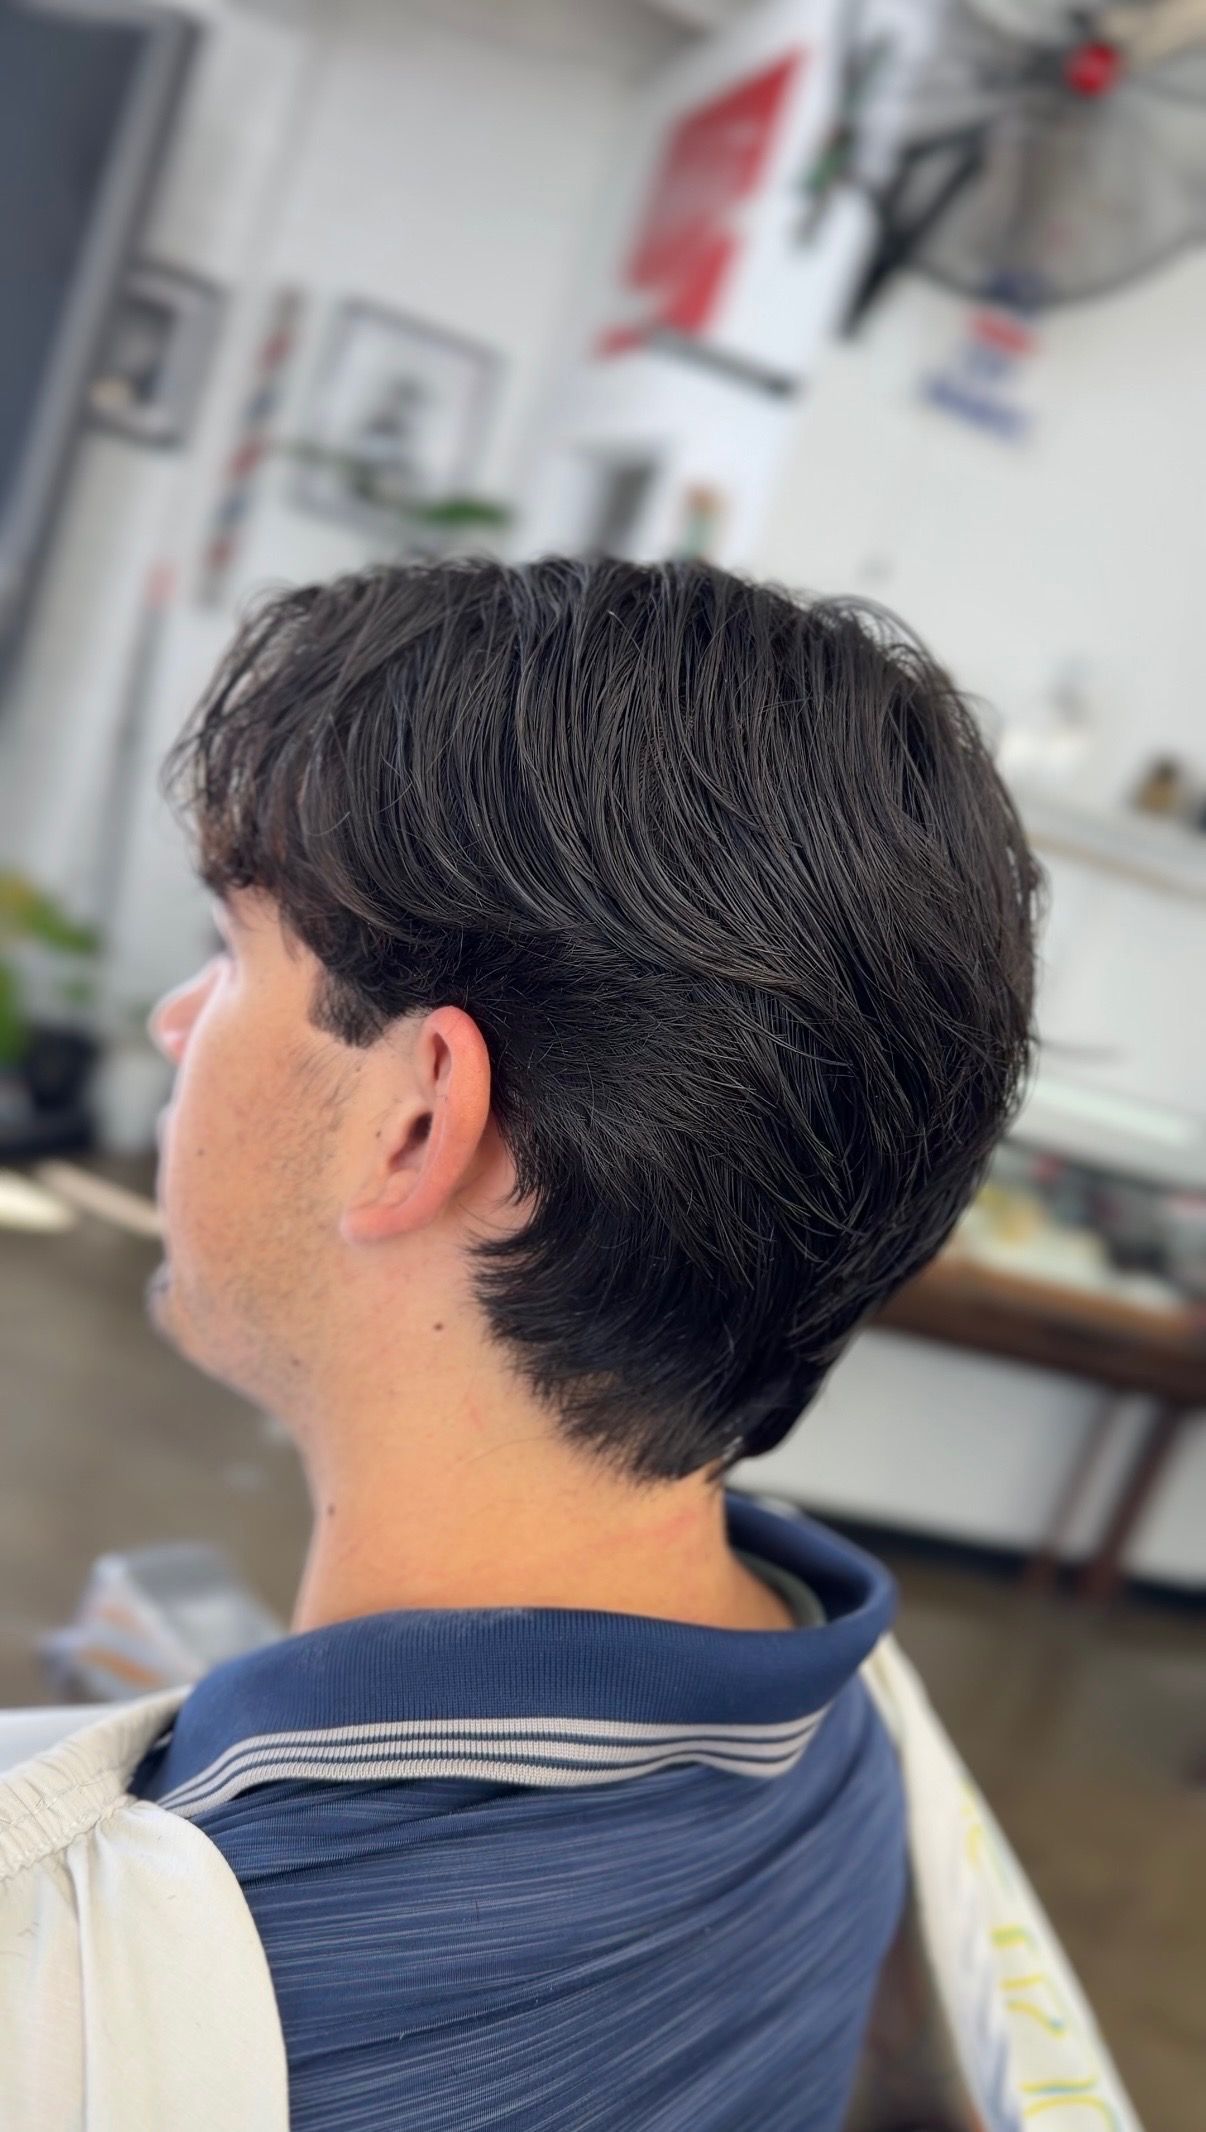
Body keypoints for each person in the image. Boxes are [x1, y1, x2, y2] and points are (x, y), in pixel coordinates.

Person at [12, 557, 1043, 2132]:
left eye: (232, 953)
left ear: (417, 1117)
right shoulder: (835, 1732)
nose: (173, 1024)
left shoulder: (71, 2004)